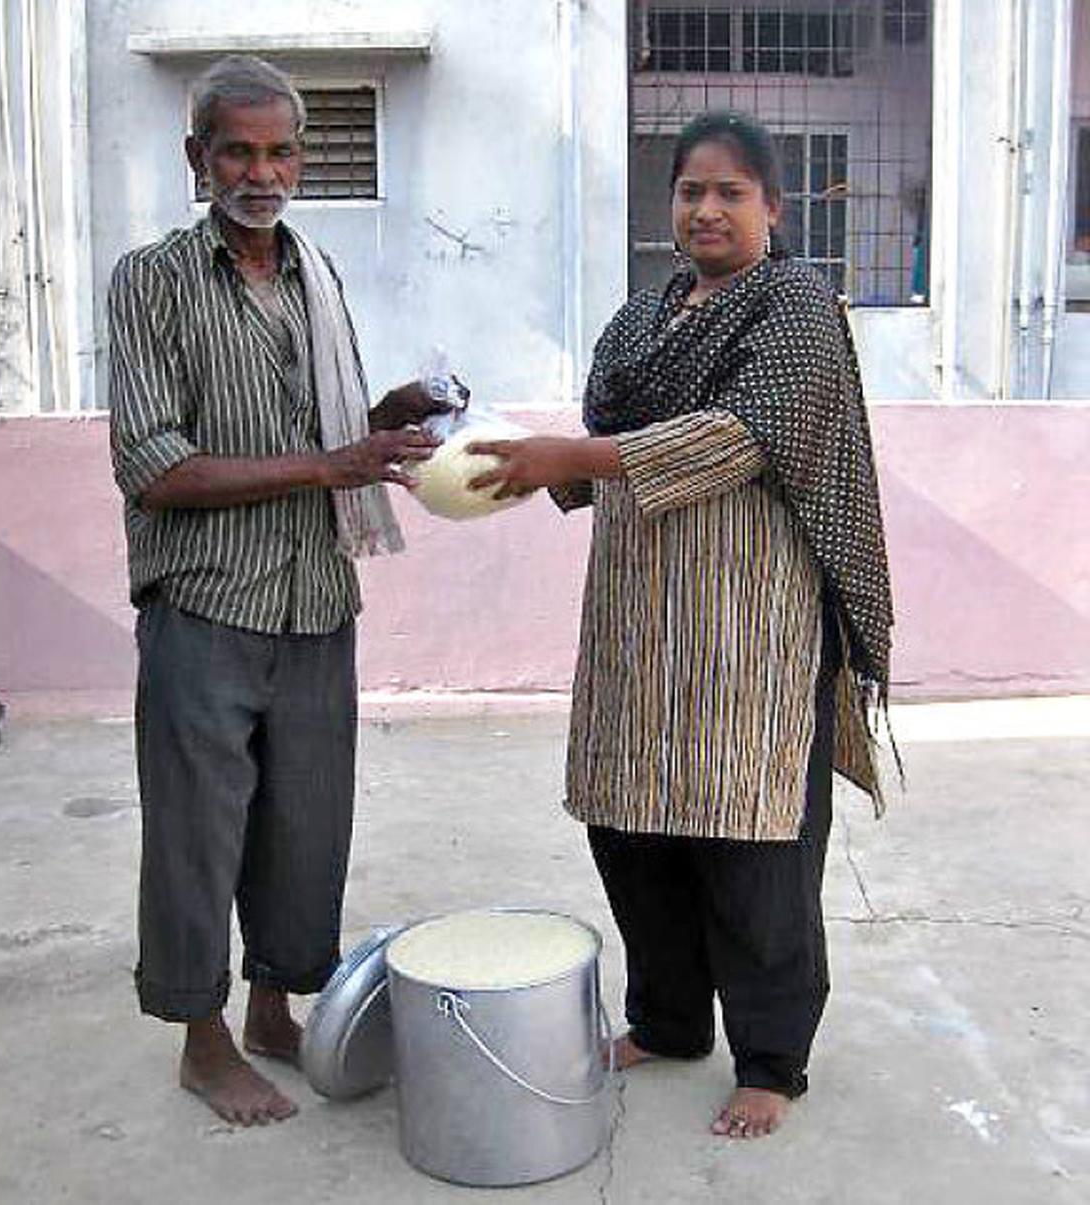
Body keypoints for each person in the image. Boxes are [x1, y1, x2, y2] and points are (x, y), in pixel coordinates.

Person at [469, 111, 893, 1140]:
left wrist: (569, 458)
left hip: (751, 628)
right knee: (633, 829)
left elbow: (737, 437)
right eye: (691, 190)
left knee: (754, 844)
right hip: (635, 624)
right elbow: (600, 444)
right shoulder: (640, 320)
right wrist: (507, 464)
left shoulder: (796, 306)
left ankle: (771, 1059)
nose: (707, 209)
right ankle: (667, 1020)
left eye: (731, 192)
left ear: (773, 207)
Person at [107, 55, 443, 1127]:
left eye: (282, 151)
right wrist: (331, 464)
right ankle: (201, 1043)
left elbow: (326, 431)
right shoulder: (152, 280)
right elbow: (153, 465)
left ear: (303, 158)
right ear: (197, 157)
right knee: (198, 831)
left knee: (305, 822)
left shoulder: (315, 272)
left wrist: (387, 416)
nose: (262, 173)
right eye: (238, 152)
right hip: (205, 601)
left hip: (315, 597)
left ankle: (271, 1010)